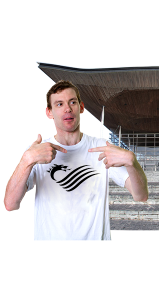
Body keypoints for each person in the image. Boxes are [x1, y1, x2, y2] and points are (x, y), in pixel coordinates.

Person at [4, 80, 148, 241]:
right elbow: (11, 204)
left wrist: (132, 162)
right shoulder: (36, 152)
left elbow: (140, 195)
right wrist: (26, 161)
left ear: (81, 108)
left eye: (72, 102)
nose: (67, 108)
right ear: (49, 112)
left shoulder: (101, 147)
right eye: (59, 104)